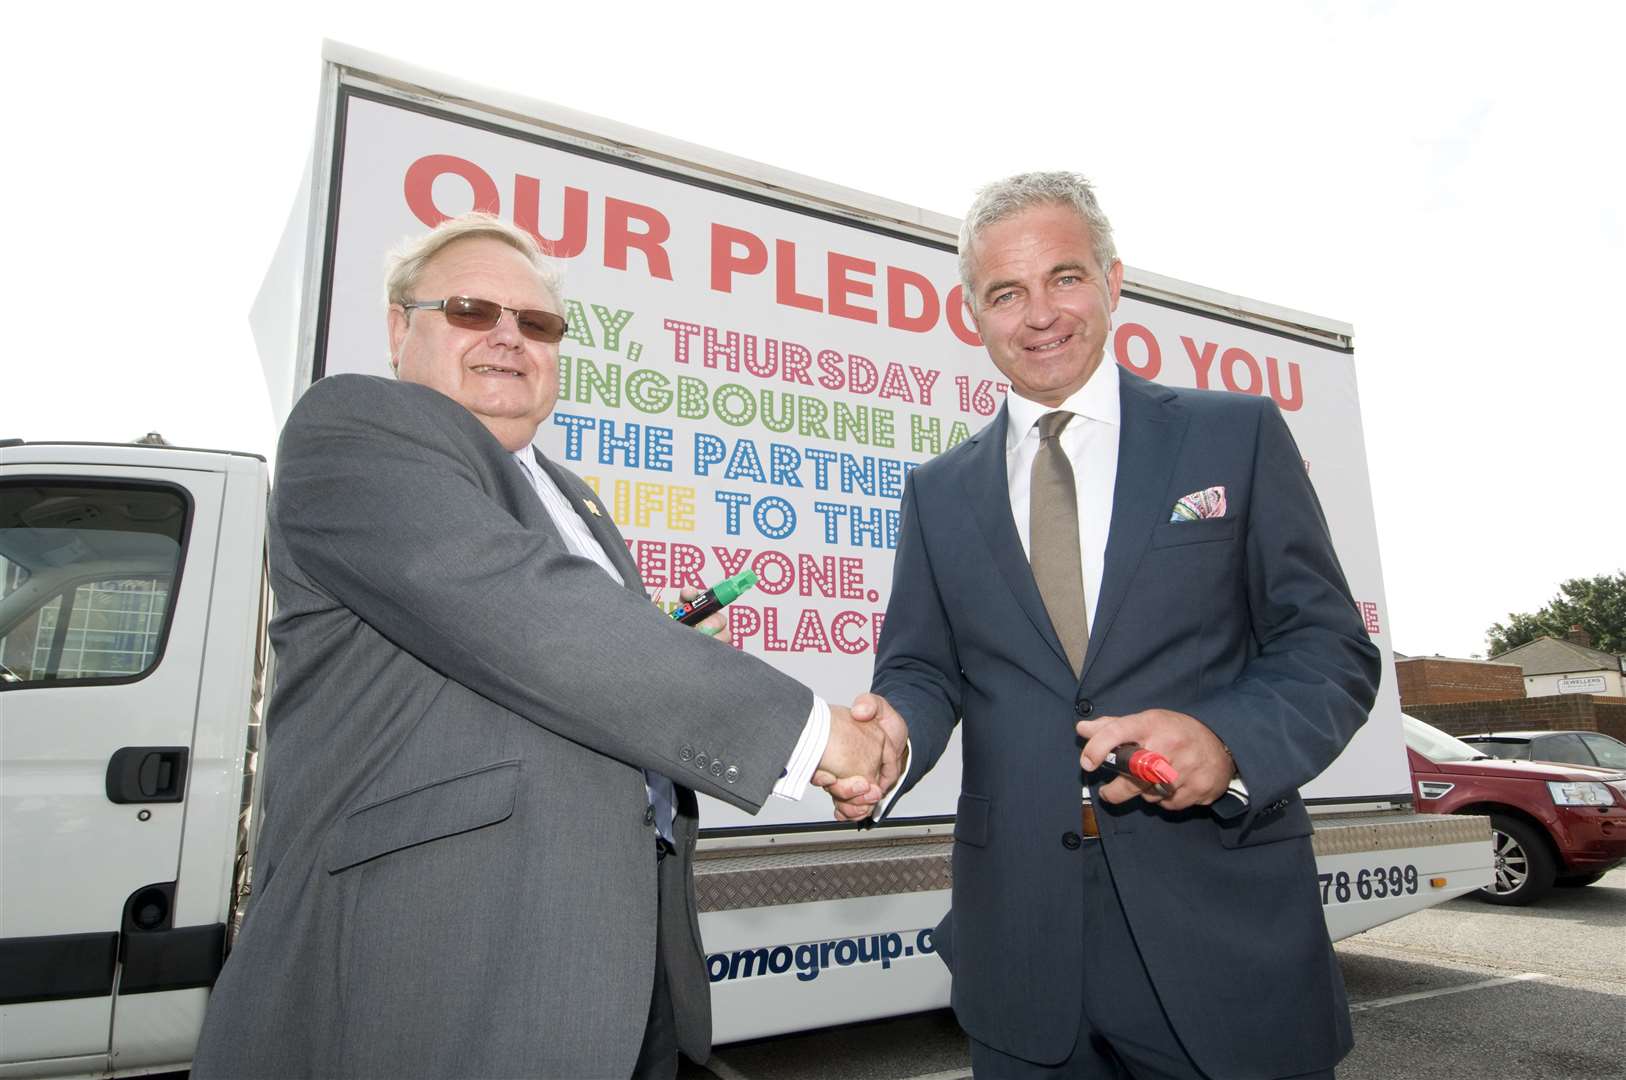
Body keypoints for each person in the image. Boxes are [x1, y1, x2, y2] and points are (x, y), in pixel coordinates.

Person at [192, 212, 901, 1079]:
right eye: (469, 310)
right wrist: (823, 736)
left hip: (622, 969)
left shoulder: (572, 496)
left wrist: (652, 642)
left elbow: (551, 657)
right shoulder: (353, 426)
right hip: (435, 971)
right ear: (396, 326)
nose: (507, 337)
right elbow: (526, 614)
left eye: (537, 324)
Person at [853, 173, 1381, 1078]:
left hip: (1222, 929)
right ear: (973, 313)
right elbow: (925, 669)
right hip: (1021, 944)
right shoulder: (938, 492)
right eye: (1006, 292)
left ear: (1112, 280)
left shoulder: (1235, 436)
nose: (1041, 314)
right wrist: (893, 733)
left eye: (1064, 277)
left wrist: (1227, 742)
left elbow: (1328, 646)